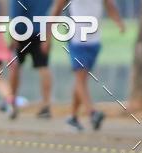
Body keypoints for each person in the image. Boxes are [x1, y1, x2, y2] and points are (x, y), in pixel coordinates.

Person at [52, 0, 125, 131]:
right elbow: (57, 7)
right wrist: (47, 34)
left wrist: (118, 21)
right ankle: (92, 112)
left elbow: (109, 5)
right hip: (77, 40)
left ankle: (73, 118)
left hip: (94, 41)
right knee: (80, 78)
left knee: (82, 79)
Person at [8, 0, 53, 119]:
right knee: (43, 67)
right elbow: (52, 12)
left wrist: (12, 36)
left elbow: (15, 13)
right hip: (41, 31)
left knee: (15, 67)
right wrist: (49, 36)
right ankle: (46, 105)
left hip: (21, 31)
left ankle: (12, 104)